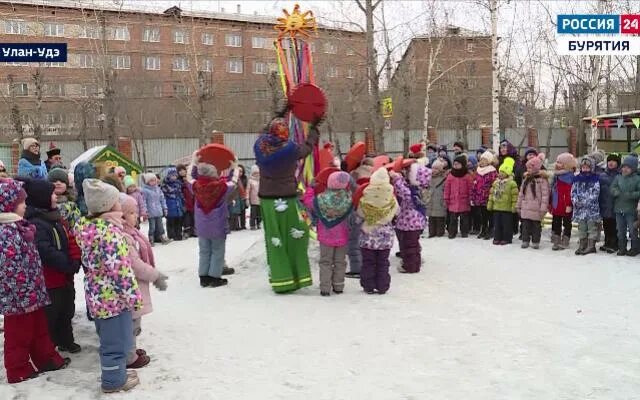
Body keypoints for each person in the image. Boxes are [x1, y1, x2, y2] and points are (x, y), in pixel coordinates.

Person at [0, 178, 70, 384]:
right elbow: (6, 267)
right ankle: (17, 368)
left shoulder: (20, 226)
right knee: (18, 336)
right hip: (17, 296)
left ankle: (46, 359)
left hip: (33, 290)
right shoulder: (5, 232)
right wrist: (19, 290)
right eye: (22, 203)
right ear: (9, 205)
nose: (25, 206)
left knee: (39, 329)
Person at [76, 179, 142, 393]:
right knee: (116, 343)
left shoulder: (90, 228)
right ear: (108, 206)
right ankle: (113, 381)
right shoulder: (110, 234)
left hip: (98, 295)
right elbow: (120, 270)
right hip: (113, 298)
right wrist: (133, 297)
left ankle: (117, 372)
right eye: (116, 201)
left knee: (112, 339)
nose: (119, 205)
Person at [253, 111, 319, 293]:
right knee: (297, 235)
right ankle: (297, 276)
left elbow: (264, 133)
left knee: (275, 239)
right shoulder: (289, 149)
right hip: (288, 198)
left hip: (267, 201)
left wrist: (278, 116)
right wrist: (313, 132)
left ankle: (281, 278)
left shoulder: (260, 146)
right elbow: (306, 149)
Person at [22, 178, 81, 354]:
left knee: (66, 310)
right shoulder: (37, 223)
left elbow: (68, 239)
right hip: (50, 280)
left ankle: (66, 340)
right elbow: (45, 251)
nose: (55, 197)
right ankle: (48, 348)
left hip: (64, 277)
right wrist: (67, 263)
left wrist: (74, 259)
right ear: (41, 198)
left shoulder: (54, 217)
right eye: (51, 194)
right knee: (51, 315)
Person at [121, 196, 168, 369]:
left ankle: (130, 351)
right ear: (122, 216)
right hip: (131, 289)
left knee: (133, 323)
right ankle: (129, 357)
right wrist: (155, 275)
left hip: (134, 288)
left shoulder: (132, 233)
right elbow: (136, 265)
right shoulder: (125, 237)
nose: (136, 216)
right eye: (131, 213)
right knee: (130, 325)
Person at [303, 171, 353, 296]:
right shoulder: (348, 198)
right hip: (342, 236)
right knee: (340, 262)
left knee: (325, 262)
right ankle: (338, 286)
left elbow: (308, 201)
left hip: (326, 237)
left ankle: (325, 288)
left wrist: (311, 188)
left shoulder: (321, 199)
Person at [192, 159, 239, 288]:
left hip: (202, 227)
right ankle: (214, 277)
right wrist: (235, 167)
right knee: (218, 251)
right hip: (217, 225)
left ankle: (203, 277)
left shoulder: (195, 186)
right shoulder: (221, 187)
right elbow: (233, 182)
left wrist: (194, 162)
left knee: (204, 251)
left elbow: (190, 177)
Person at [357, 168, 398, 294]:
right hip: (385, 235)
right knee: (383, 262)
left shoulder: (366, 195)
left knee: (368, 261)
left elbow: (360, 212)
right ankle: (382, 285)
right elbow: (397, 211)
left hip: (368, 234)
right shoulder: (391, 196)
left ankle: (368, 285)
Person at [392, 163, 431, 273]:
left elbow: (404, 193)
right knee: (410, 245)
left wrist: (397, 179)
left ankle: (412, 266)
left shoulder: (415, 192)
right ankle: (410, 263)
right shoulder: (419, 188)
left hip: (411, 222)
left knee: (411, 246)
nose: (407, 173)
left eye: (409, 172)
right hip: (411, 222)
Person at [517, 153, 549, 249]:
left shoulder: (542, 180)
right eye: (527, 168)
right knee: (525, 225)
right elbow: (521, 193)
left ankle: (535, 241)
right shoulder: (526, 179)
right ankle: (525, 240)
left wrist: (543, 208)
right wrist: (518, 205)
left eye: (530, 168)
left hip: (536, 208)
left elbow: (545, 196)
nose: (528, 170)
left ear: (536, 168)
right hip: (526, 207)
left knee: (536, 227)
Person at [611, 154, 640, 256]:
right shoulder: (618, 177)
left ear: (633, 168)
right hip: (619, 209)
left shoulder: (637, 179)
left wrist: (631, 195)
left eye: (628, 167)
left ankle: (635, 248)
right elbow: (612, 188)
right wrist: (616, 192)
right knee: (620, 230)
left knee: (632, 230)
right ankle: (622, 248)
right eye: (624, 167)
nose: (625, 169)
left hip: (631, 210)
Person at [571, 156, 601, 255]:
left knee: (591, 227)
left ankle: (591, 245)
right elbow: (573, 191)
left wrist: (586, 201)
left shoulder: (595, 179)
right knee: (582, 227)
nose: (585, 169)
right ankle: (582, 244)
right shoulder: (577, 179)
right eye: (583, 167)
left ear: (591, 168)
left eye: (587, 167)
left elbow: (595, 193)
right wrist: (575, 200)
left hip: (591, 209)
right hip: (580, 209)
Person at [488, 157, 518, 245]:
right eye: (500, 172)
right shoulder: (496, 183)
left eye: (503, 172)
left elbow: (514, 196)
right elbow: (491, 194)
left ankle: (507, 238)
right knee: (497, 224)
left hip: (507, 208)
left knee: (506, 225)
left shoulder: (512, 183)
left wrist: (514, 206)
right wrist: (490, 204)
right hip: (497, 207)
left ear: (508, 173)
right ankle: (497, 237)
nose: (500, 174)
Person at [550, 153, 576, 251]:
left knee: (567, 223)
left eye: (560, 163)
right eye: (557, 162)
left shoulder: (570, 177)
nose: (557, 164)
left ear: (566, 165)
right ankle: (556, 239)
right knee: (556, 222)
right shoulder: (556, 176)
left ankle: (566, 239)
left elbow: (571, 192)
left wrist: (569, 204)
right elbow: (553, 190)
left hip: (566, 205)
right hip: (556, 204)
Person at [444, 155, 472, 239]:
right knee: (452, 219)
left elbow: (470, 188)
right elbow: (447, 188)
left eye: (458, 164)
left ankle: (464, 232)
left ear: (462, 165)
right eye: (454, 164)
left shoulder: (467, 176)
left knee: (464, 219)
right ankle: (452, 232)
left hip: (464, 200)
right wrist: (446, 198)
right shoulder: (450, 176)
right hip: (453, 201)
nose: (455, 165)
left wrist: (471, 198)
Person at [471, 151, 498, 240]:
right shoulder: (478, 170)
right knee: (482, 215)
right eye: (481, 159)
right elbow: (475, 182)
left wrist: (491, 192)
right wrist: (473, 195)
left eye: (485, 160)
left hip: (488, 196)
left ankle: (490, 230)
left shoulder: (492, 171)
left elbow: (494, 183)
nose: (482, 161)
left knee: (489, 214)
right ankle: (483, 229)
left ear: (489, 161)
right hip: (479, 196)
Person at [599, 153, 621, 253]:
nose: (611, 163)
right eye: (609, 161)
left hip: (615, 205)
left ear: (618, 163)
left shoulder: (620, 175)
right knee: (606, 224)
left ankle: (614, 243)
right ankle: (607, 241)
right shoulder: (602, 175)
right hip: (604, 204)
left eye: (613, 161)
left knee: (614, 225)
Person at [142, 172, 170, 246]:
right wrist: (145, 211)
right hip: (151, 212)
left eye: (155, 180)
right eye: (151, 180)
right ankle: (151, 239)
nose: (154, 182)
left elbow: (162, 199)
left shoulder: (158, 189)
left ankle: (163, 237)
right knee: (152, 227)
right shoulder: (145, 191)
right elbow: (143, 201)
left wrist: (165, 208)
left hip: (158, 211)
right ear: (147, 182)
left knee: (160, 226)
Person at [161, 167, 185, 241]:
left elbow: (181, 194)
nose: (174, 177)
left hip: (178, 205)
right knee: (171, 221)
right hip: (170, 204)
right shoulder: (165, 185)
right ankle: (171, 235)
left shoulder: (178, 184)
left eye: (175, 175)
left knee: (179, 221)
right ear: (168, 176)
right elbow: (163, 196)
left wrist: (183, 202)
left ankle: (179, 234)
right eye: (172, 176)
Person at [426, 158, 448, 238]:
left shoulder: (444, 179)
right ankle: (431, 232)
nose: (434, 170)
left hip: (440, 201)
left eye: (436, 168)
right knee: (431, 219)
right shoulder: (429, 178)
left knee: (440, 219)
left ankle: (440, 233)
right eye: (433, 168)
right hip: (431, 201)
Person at [177, 164, 195, 238]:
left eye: (183, 170)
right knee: (186, 218)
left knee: (193, 216)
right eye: (179, 171)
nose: (182, 172)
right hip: (184, 202)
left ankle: (194, 231)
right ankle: (187, 231)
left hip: (192, 200)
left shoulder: (190, 178)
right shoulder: (178, 181)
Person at [246, 165, 261, 230]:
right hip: (253, 200)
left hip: (260, 200)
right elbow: (247, 190)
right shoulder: (250, 180)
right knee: (253, 214)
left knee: (259, 214)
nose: (257, 174)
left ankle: (258, 224)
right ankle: (252, 225)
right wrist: (247, 199)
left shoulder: (261, 180)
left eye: (258, 173)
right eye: (255, 173)